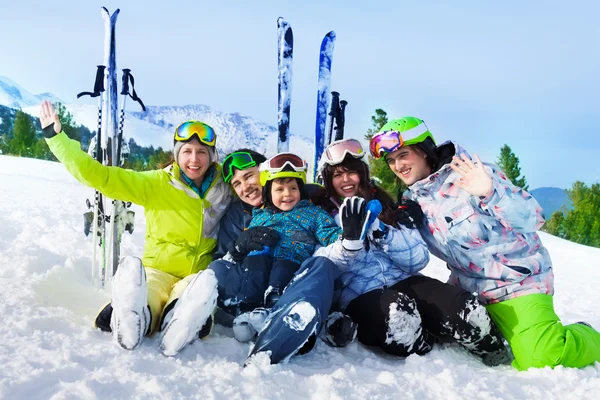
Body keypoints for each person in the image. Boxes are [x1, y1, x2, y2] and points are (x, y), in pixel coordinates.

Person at [370, 116, 600, 370]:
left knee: (541, 356)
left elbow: (533, 217)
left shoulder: (471, 175)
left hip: (517, 285)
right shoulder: (413, 199)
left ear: (424, 150)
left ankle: (588, 337)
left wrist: (490, 192)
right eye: (391, 160)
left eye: (403, 155)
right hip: (470, 292)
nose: (397, 165)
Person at [38, 100, 232, 355]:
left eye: (201, 152)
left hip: (195, 275)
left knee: (197, 290)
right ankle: (134, 316)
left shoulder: (225, 185)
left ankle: (181, 322)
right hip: (157, 269)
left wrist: (301, 190)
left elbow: (263, 187)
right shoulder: (156, 184)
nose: (194, 159)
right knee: (149, 292)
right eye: (187, 151)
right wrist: (56, 138)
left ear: (212, 156)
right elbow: (101, 176)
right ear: (176, 154)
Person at [314, 138, 508, 364]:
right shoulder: (320, 216)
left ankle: (494, 350)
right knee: (396, 314)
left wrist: (381, 231)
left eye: (351, 172)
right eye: (337, 175)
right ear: (328, 179)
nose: (346, 180)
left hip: (405, 280)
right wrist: (349, 243)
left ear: (362, 174)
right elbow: (320, 264)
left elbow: (418, 259)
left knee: (462, 308)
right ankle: (420, 341)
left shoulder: (387, 207)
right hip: (360, 293)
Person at [208, 149, 359, 364]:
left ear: (265, 174)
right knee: (216, 270)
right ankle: (247, 314)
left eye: (249, 176)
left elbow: (329, 233)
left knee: (320, 265)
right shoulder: (238, 215)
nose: (245, 187)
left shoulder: (311, 201)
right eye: (237, 184)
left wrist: (348, 236)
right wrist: (238, 248)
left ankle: (298, 320)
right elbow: (226, 263)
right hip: (252, 280)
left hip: (295, 271)